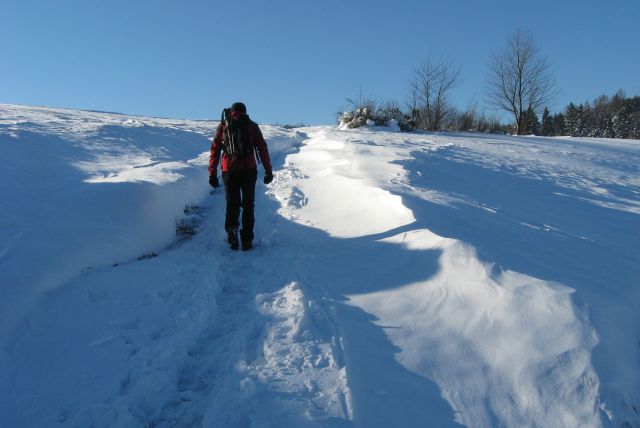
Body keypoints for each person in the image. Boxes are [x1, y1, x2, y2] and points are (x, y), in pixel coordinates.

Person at [209, 102, 273, 251]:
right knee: (248, 205)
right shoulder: (252, 126)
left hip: (229, 171)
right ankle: (247, 240)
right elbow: (262, 149)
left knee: (232, 204)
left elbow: (214, 150)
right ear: (245, 111)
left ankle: (232, 234)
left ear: (230, 112)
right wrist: (268, 171)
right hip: (248, 170)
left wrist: (212, 173)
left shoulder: (223, 126)